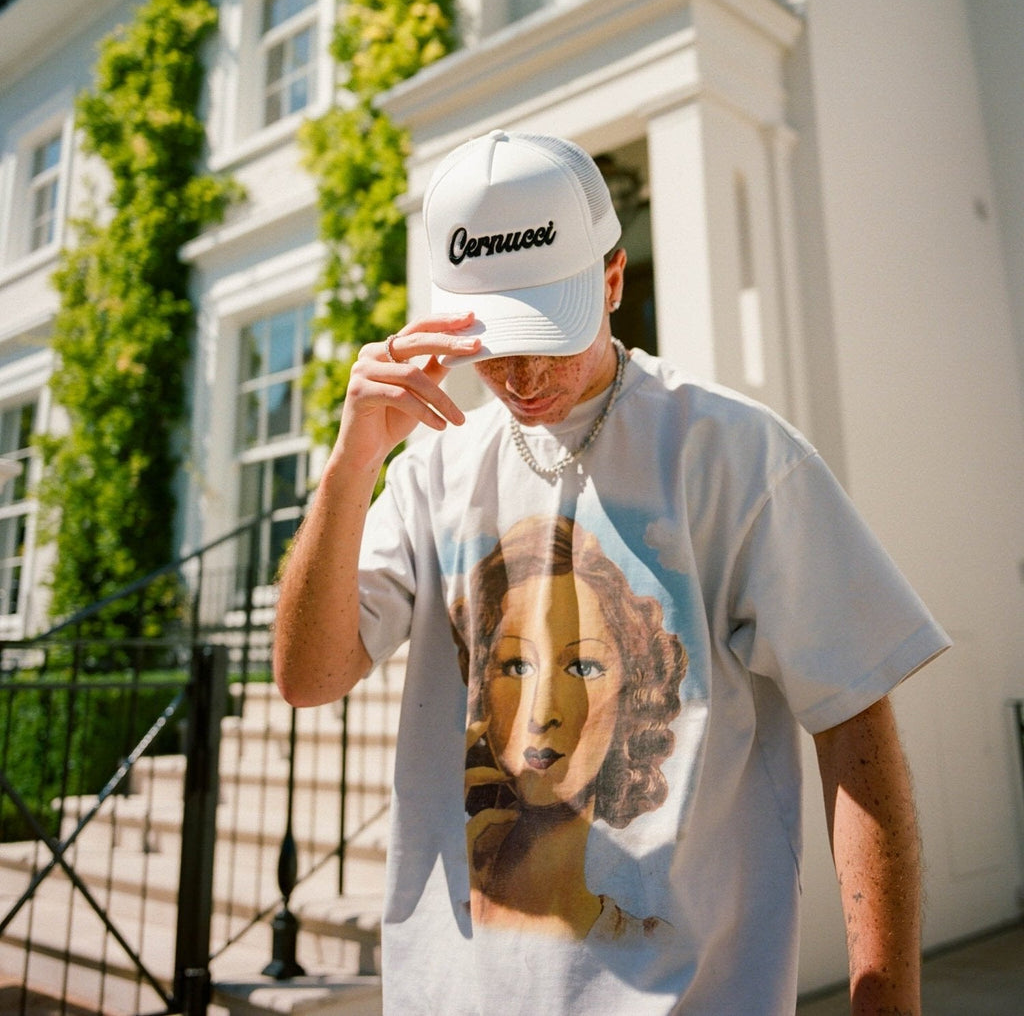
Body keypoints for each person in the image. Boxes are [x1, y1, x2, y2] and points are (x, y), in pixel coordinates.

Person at [274, 128, 950, 1015]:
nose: (521, 374)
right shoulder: (432, 467)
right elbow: (310, 676)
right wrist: (349, 466)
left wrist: (887, 1002)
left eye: (546, 333)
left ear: (613, 279)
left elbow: (854, 725)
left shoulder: (734, 455)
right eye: (491, 341)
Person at [454, 513, 686, 941]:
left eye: (582, 667)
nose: (542, 712)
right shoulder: (446, 918)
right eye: (516, 666)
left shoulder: (654, 948)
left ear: (633, 691)